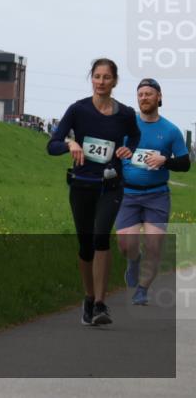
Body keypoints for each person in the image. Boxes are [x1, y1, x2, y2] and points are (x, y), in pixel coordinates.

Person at [47, 58, 140, 326]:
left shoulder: (125, 114)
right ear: (92, 79)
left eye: (106, 77)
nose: (101, 82)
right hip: (81, 185)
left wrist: (128, 149)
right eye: (97, 77)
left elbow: (133, 137)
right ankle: (88, 298)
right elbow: (52, 145)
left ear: (115, 81)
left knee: (101, 237)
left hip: (110, 185)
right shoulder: (78, 110)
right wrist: (70, 144)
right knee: (86, 246)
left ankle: (101, 303)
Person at [116, 78, 191, 305]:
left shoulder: (170, 131)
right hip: (128, 194)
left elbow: (185, 164)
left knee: (154, 244)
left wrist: (165, 160)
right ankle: (134, 261)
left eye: (149, 94)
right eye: (140, 94)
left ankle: (142, 289)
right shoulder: (128, 126)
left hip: (156, 195)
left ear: (159, 97)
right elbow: (115, 152)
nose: (144, 98)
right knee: (126, 244)